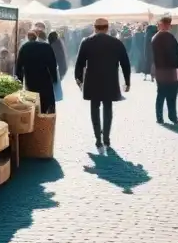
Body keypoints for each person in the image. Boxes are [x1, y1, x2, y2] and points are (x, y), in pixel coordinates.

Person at [74, 18, 131, 148]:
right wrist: (127, 81)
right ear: (107, 28)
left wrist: (79, 79)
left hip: (92, 80)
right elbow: (125, 63)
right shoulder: (116, 43)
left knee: (94, 108)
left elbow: (80, 63)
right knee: (108, 108)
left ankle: (97, 138)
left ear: (94, 27)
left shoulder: (87, 42)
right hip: (109, 80)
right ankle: (106, 137)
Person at [16, 30, 58, 114]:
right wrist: (54, 78)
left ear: (28, 38)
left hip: (31, 81)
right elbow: (53, 65)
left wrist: (20, 81)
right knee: (46, 104)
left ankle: (35, 121)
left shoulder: (24, 47)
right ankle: (46, 122)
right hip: (45, 80)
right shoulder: (46, 47)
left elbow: (19, 66)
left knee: (33, 104)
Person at [151, 15, 178, 124]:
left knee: (169, 94)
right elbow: (173, 55)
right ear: (160, 24)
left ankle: (169, 117)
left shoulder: (166, 37)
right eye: (165, 23)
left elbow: (176, 54)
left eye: (168, 24)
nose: (167, 26)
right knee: (164, 94)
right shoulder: (159, 38)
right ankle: (164, 117)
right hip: (165, 70)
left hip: (167, 70)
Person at [48, 31, 68, 103]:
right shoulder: (59, 44)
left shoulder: (54, 46)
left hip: (55, 72)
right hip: (59, 71)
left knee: (52, 95)